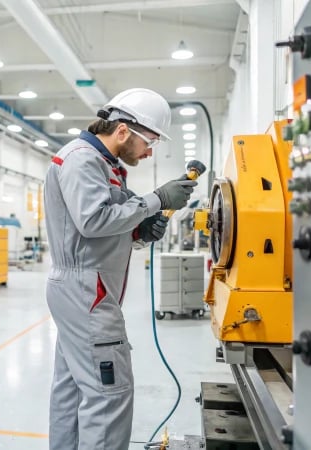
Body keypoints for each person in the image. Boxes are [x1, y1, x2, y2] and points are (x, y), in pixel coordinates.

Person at [44, 88, 197, 450]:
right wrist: (156, 199)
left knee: (72, 391)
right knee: (109, 395)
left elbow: (101, 229)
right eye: (149, 142)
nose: (149, 152)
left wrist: (137, 231)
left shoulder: (105, 165)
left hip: (83, 288)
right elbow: (93, 220)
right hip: (87, 292)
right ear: (124, 131)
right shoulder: (83, 160)